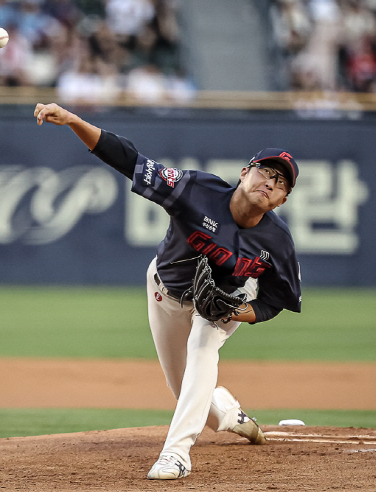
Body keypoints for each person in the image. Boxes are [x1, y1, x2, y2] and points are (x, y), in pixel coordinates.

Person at [33, 102, 302, 480]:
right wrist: (75, 121)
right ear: (244, 173)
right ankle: (227, 413)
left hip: (219, 307)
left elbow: (276, 300)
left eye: (281, 182)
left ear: (282, 200)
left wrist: (235, 311)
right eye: (266, 171)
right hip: (164, 291)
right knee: (184, 389)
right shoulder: (197, 190)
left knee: (203, 351)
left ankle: (176, 455)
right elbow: (130, 159)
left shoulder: (278, 241)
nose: (271, 182)